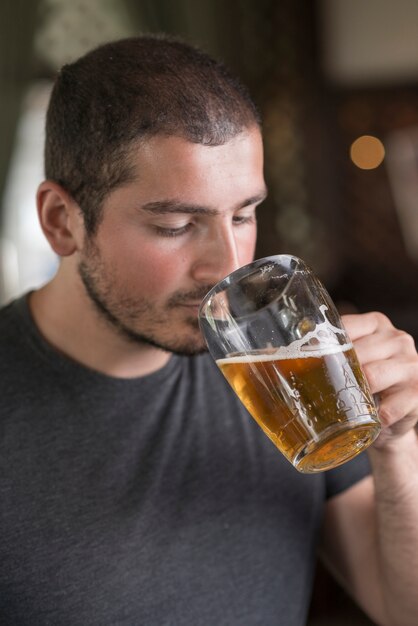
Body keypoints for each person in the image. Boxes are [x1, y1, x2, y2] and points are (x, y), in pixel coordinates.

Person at [0, 35, 417, 626]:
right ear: (61, 222)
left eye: (243, 215)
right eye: (175, 225)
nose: (228, 266)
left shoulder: (290, 372)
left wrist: (398, 446)